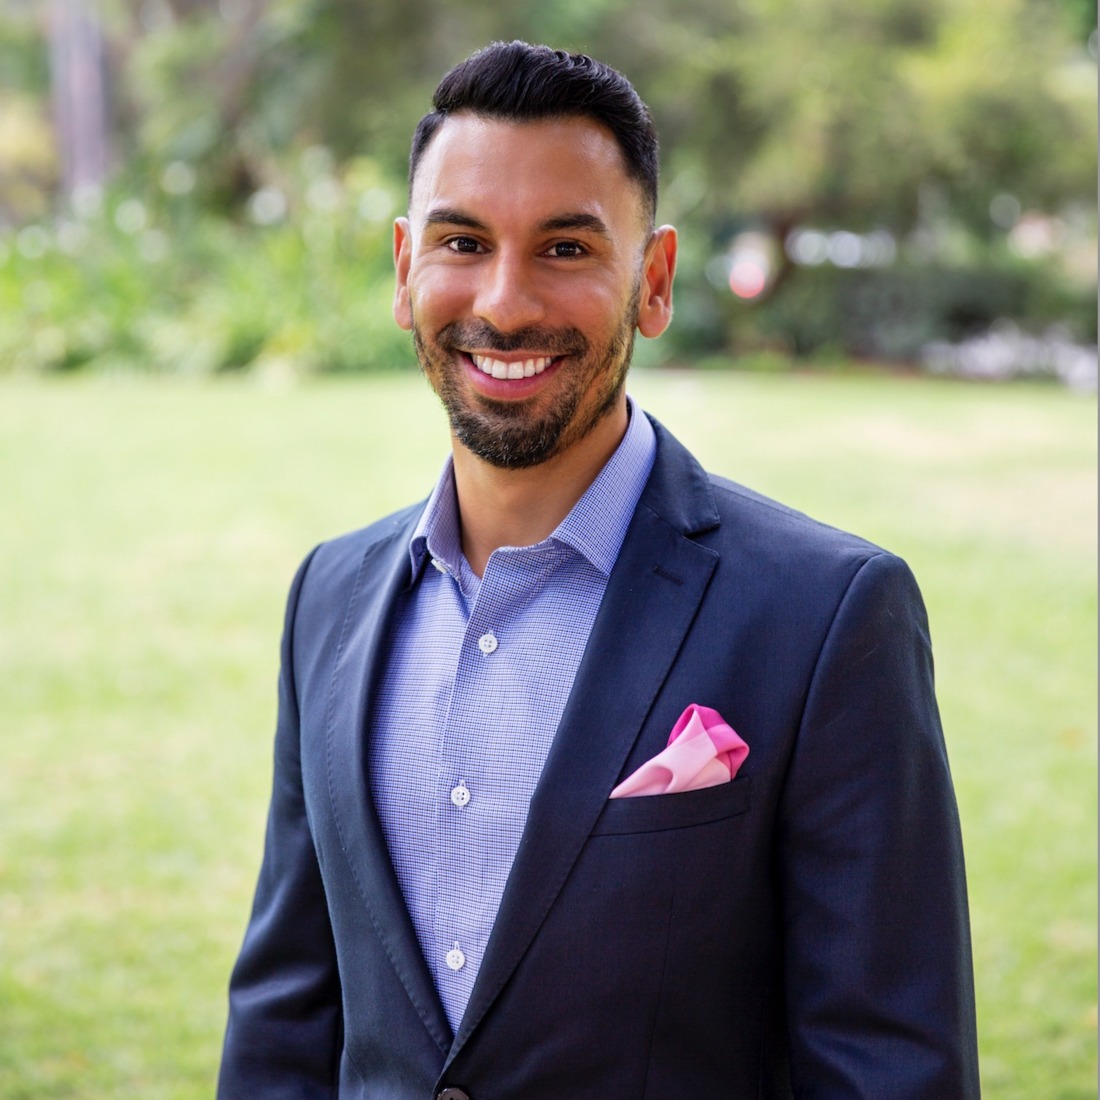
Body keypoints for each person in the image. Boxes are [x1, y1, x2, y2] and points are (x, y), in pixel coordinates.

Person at [218, 41, 980, 1099]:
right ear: (403, 270)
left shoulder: (825, 616)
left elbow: (889, 1066)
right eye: (462, 241)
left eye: (565, 247)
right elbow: (285, 1022)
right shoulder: (329, 598)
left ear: (652, 282)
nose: (505, 302)